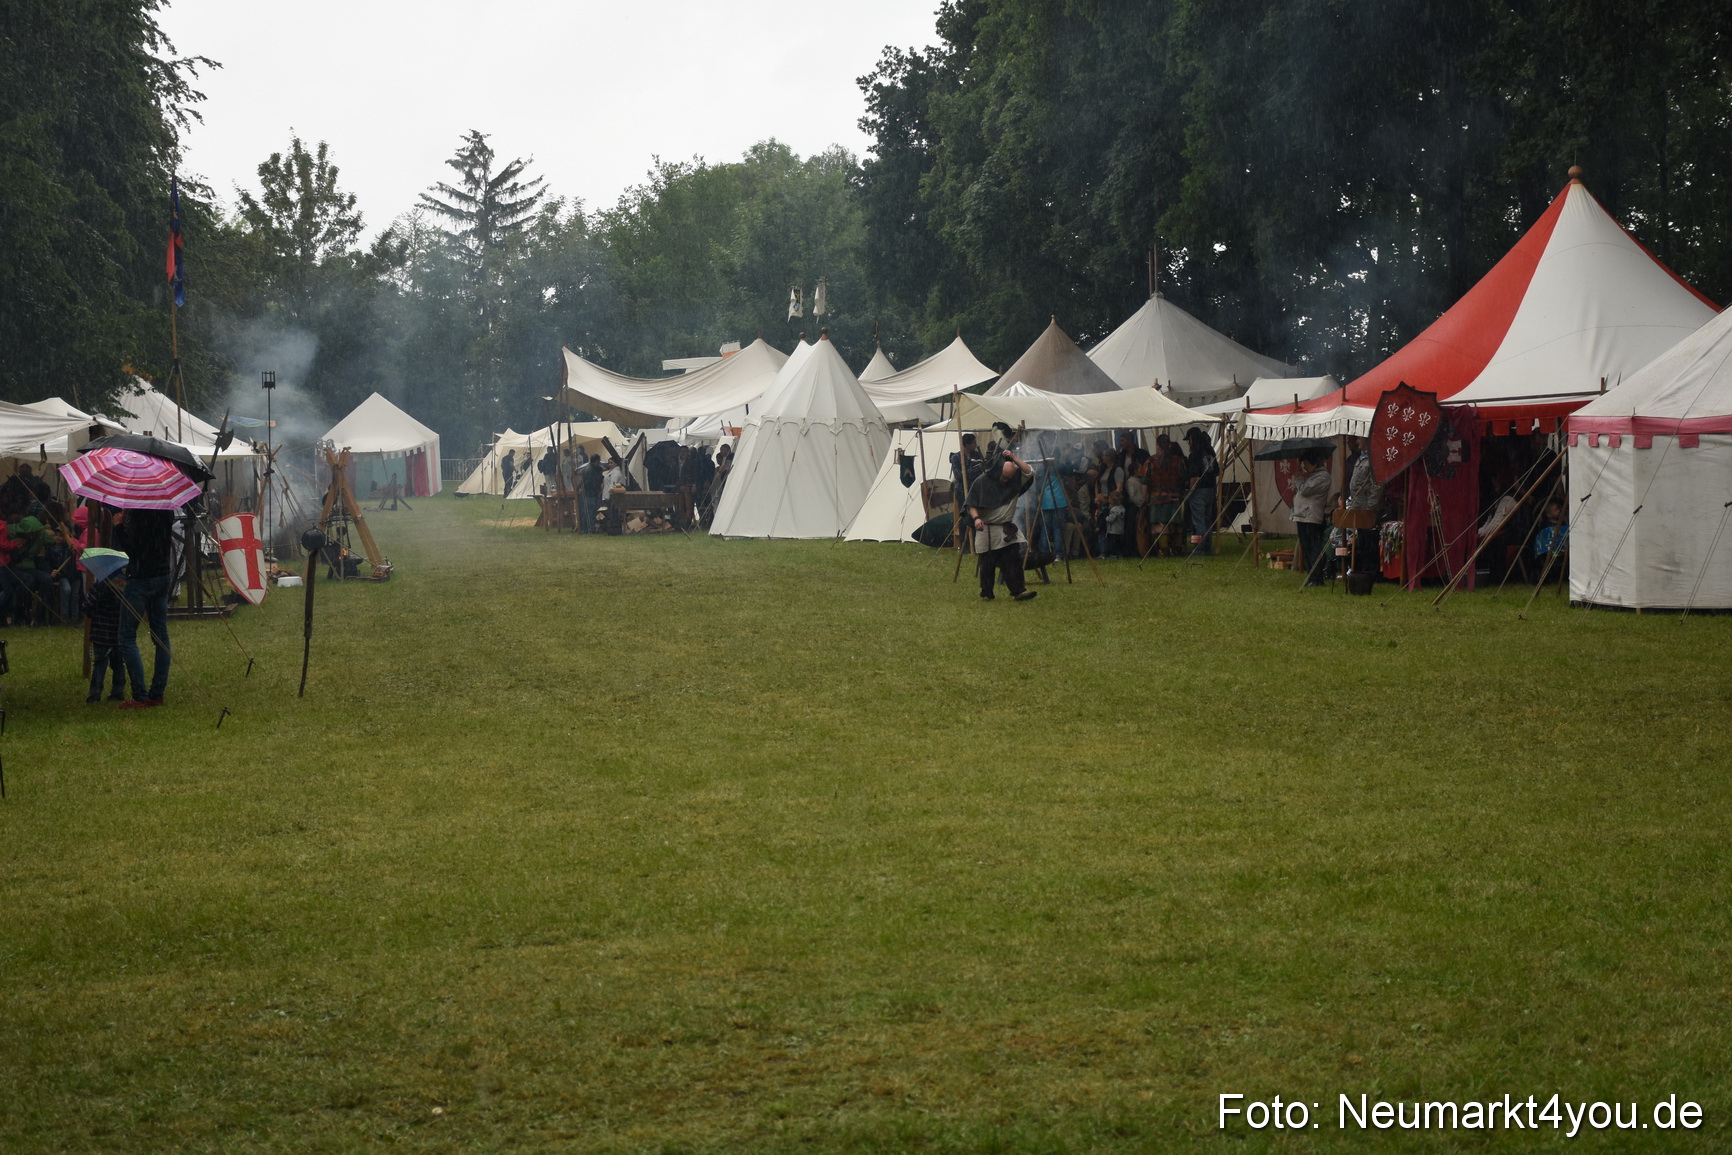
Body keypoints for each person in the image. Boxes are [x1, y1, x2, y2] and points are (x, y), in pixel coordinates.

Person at [113, 507, 175, 707]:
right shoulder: (166, 509)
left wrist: (120, 527)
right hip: (162, 574)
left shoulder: (139, 511)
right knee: (160, 636)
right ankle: (157, 693)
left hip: (141, 578)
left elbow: (132, 549)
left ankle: (140, 695)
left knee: (126, 637)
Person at [966, 448, 1037, 601]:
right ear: (998, 470)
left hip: (1005, 529)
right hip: (987, 529)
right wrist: (976, 518)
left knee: (1012, 562)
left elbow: (1029, 471)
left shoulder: (1015, 479)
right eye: (1004, 477)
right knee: (987, 565)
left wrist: (1013, 457)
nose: (1006, 481)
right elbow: (971, 503)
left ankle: (1019, 592)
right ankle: (986, 594)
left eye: (1009, 478)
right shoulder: (982, 481)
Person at [82, 573, 128, 702]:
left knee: (99, 664)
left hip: (101, 633)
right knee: (119, 663)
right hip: (119, 633)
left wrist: (92, 612)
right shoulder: (123, 587)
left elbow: (87, 605)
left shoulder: (99, 587)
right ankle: (118, 692)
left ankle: (95, 693)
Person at [1292, 450, 1332, 586]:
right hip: (1303, 515)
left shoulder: (1323, 476)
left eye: (1306, 464)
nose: (1305, 467)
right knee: (1306, 546)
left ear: (1315, 463)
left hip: (1311, 516)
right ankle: (1311, 575)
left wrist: (1298, 478)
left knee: (1313, 547)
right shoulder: (1313, 475)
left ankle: (1317, 577)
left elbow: (1305, 490)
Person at [1142, 441, 1186, 557]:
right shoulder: (1179, 460)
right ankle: (1178, 549)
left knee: (1160, 525)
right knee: (1176, 525)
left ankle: (1164, 550)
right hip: (1175, 497)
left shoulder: (1151, 461)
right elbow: (1184, 478)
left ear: (1158, 446)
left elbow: (1145, 481)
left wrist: (1144, 498)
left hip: (1157, 498)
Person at [1182, 428, 1219, 554]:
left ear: (1192, 440)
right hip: (1210, 490)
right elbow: (1216, 471)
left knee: (1198, 522)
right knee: (1207, 521)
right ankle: (1207, 546)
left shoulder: (1195, 455)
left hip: (1199, 491)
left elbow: (1194, 476)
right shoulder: (1210, 452)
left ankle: (1200, 548)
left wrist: (1189, 492)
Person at [578, 453, 604, 533]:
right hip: (591, 493)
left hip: (587, 493)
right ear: (597, 461)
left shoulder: (586, 469)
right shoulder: (593, 470)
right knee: (590, 512)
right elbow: (592, 482)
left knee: (585, 512)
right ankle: (590, 529)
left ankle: (585, 528)